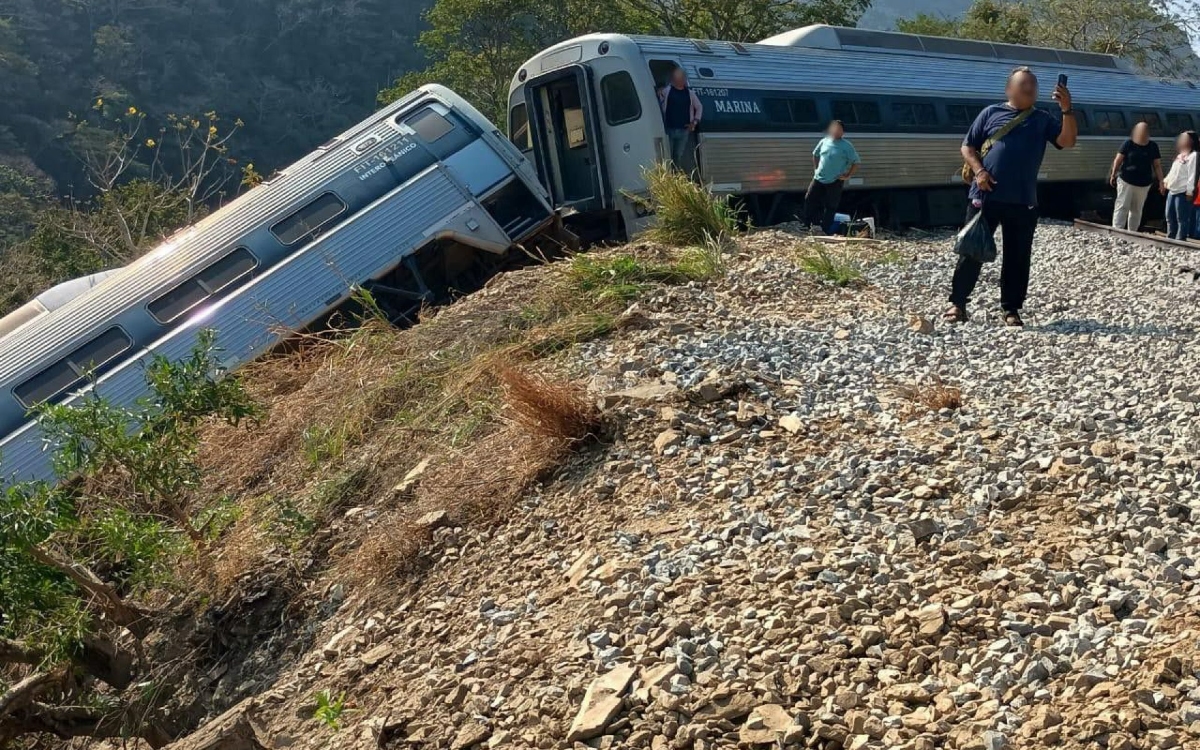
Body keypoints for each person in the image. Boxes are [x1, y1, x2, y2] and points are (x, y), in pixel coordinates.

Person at [945, 66, 1077, 327]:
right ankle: (957, 303)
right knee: (971, 250)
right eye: (1023, 83)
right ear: (1009, 89)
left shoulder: (1042, 119)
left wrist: (1066, 110)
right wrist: (979, 171)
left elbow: (1068, 141)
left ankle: (1011, 309)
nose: (1030, 88)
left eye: (1033, 84)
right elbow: (967, 146)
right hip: (985, 196)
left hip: (1023, 199)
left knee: (1018, 256)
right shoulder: (990, 113)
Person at [805, 120, 861, 234]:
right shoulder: (824, 141)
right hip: (818, 178)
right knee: (810, 199)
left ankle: (825, 229)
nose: (836, 131)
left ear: (843, 132)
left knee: (830, 205)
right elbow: (815, 154)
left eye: (839, 129)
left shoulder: (846, 146)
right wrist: (816, 169)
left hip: (835, 180)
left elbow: (856, 162)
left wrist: (848, 175)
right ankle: (810, 224)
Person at [1109, 122, 1163, 231]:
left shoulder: (1153, 146)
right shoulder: (1128, 143)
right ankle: (1117, 230)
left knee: (1137, 209)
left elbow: (1157, 165)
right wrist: (1113, 174)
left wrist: (1161, 181)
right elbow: (1118, 160)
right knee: (1122, 206)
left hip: (1144, 183)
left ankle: (1132, 232)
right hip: (1126, 180)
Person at [658, 67, 702, 176]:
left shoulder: (690, 94)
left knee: (678, 156)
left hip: (684, 130)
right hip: (669, 129)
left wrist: (694, 122)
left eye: (680, 78)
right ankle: (668, 176)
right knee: (667, 155)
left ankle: (676, 176)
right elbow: (660, 96)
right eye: (676, 78)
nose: (678, 80)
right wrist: (659, 91)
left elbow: (699, 107)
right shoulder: (668, 91)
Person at [1161, 130, 1197, 241]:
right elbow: (1173, 171)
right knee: (1169, 215)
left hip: (1182, 191)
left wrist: (1190, 191)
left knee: (1181, 217)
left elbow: (1192, 174)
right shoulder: (1180, 155)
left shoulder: (1194, 155)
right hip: (1172, 190)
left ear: (1191, 141)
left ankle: (1180, 239)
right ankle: (1170, 237)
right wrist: (1165, 181)